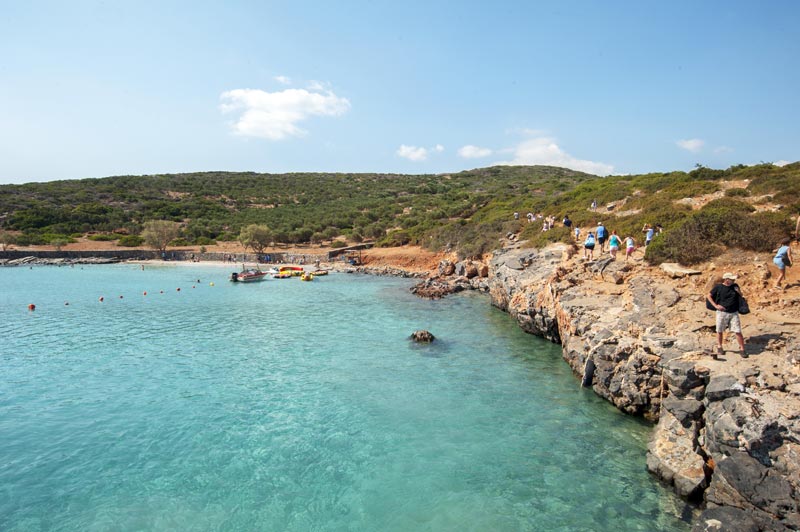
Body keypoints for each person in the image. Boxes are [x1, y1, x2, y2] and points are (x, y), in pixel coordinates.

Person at [707, 272, 747, 358]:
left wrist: (739, 292)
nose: (733, 280)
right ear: (726, 280)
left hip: (734, 312)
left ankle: (742, 349)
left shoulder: (735, 286)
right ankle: (719, 347)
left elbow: (741, 296)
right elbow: (709, 295)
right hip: (722, 312)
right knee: (719, 330)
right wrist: (716, 306)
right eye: (732, 279)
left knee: (738, 331)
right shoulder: (719, 287)